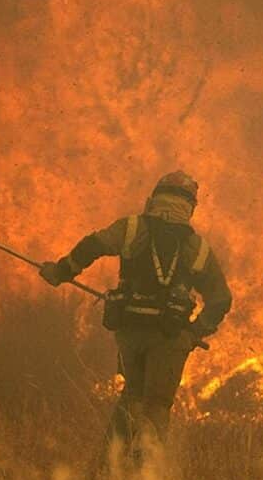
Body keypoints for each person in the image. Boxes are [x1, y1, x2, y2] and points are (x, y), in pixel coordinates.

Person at [38, 171, 232, 449]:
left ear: (153, 199)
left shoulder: (131, 228)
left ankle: (110, 468)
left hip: (130, 334)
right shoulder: (197, 247)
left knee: (133, 398)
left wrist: (61, 271)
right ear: (191, 206)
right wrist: (194, 333)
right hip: (169, 340)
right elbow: (221, 299)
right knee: (156, 408)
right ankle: (146, 479)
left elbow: (93, 245)